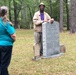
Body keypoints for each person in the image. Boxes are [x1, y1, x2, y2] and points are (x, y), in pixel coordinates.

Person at [0, 6, 16, 75]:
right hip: (6, 46)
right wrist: (14, 39)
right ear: (6, 13)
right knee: (4, 63)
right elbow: (13, 35)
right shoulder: (6, 23)